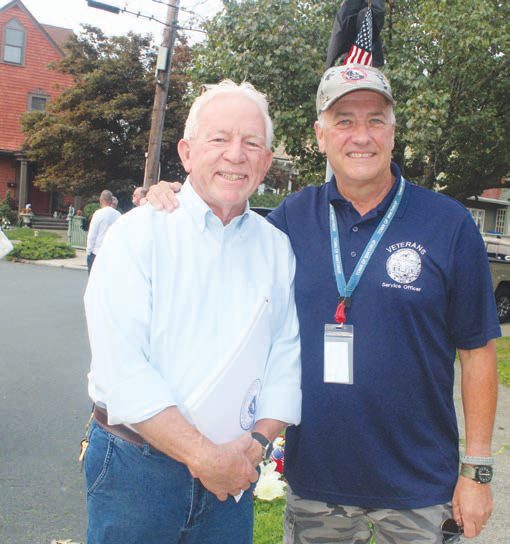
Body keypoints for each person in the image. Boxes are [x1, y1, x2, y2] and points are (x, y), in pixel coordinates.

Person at [147, 64, 500, 543]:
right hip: (316, 485)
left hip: (421, 486)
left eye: (375, 120)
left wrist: (476, 471)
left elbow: (478, 352)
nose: (361, 136)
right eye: (344, 121)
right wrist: (174, 196)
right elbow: (222, 231)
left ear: (393, 132)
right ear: (320, 135)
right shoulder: (291, 219)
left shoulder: (449, 224)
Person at [83, 80, 301, 544]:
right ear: (186, 152)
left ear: (266, 161)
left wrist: (257, 446)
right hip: (136, 473)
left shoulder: (276, 248)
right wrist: (205, 457)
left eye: (252, 143)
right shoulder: (136, 235)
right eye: (219, 138)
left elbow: (285, 355)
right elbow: (121, 368)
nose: (235, 155)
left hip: (235, 471)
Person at [85, 190, 121, 274]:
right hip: (112, 252)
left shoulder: (98, 214)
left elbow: (92, 234)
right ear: (111, 201)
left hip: (97, 251)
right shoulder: (118, 214)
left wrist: (89, 250)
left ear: (100, 200)